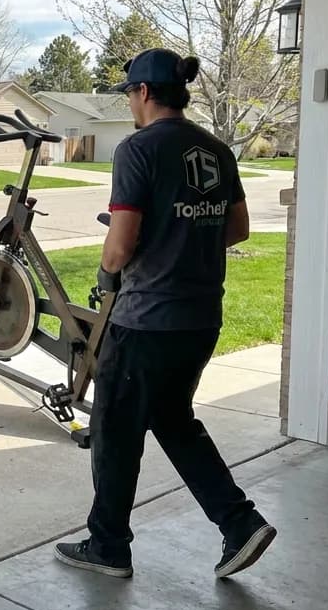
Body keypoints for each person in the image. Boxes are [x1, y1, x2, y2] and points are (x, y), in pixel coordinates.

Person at [54, 47, 276, 580]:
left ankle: (108, 547)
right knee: (173, 420)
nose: (130, 103)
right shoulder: (217, 150)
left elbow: (120, 241)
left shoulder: (138, 150)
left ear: (145, 93)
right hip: (201, 319)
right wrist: (184, 239)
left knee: (115, 430)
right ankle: (240, 523)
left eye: (129, 93)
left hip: (146, 321)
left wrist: (109, 272)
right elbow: (239, 227)